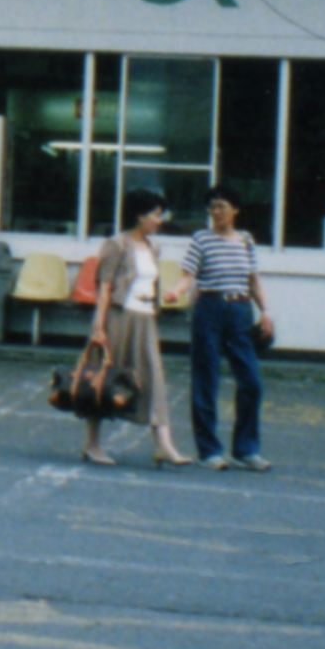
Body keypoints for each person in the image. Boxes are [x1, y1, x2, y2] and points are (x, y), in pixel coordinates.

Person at [81, 188, 191, 467]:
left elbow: (150, 284)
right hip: (119, 317)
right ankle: (92, 444)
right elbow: (104, 286)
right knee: (105, 378)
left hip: (145, 318)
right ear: (139, 215)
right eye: (155, 214)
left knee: (153, 377)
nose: (159, 220)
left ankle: (164, 444)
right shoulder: (116, 244)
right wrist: (99, 325)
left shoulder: (154, 247)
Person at [184, 187, 273, 470]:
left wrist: (266, 311)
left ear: (235, 210)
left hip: (240, 311)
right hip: (210, 308)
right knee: (206, 380)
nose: (216, 212)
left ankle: (246, 449)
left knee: (251, 382)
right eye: (212, 207)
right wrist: (177, 293)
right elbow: (188, 276)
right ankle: (209, 451)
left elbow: (253, 280)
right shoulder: (201, 239)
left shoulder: (246, 240)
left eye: (222, 206)